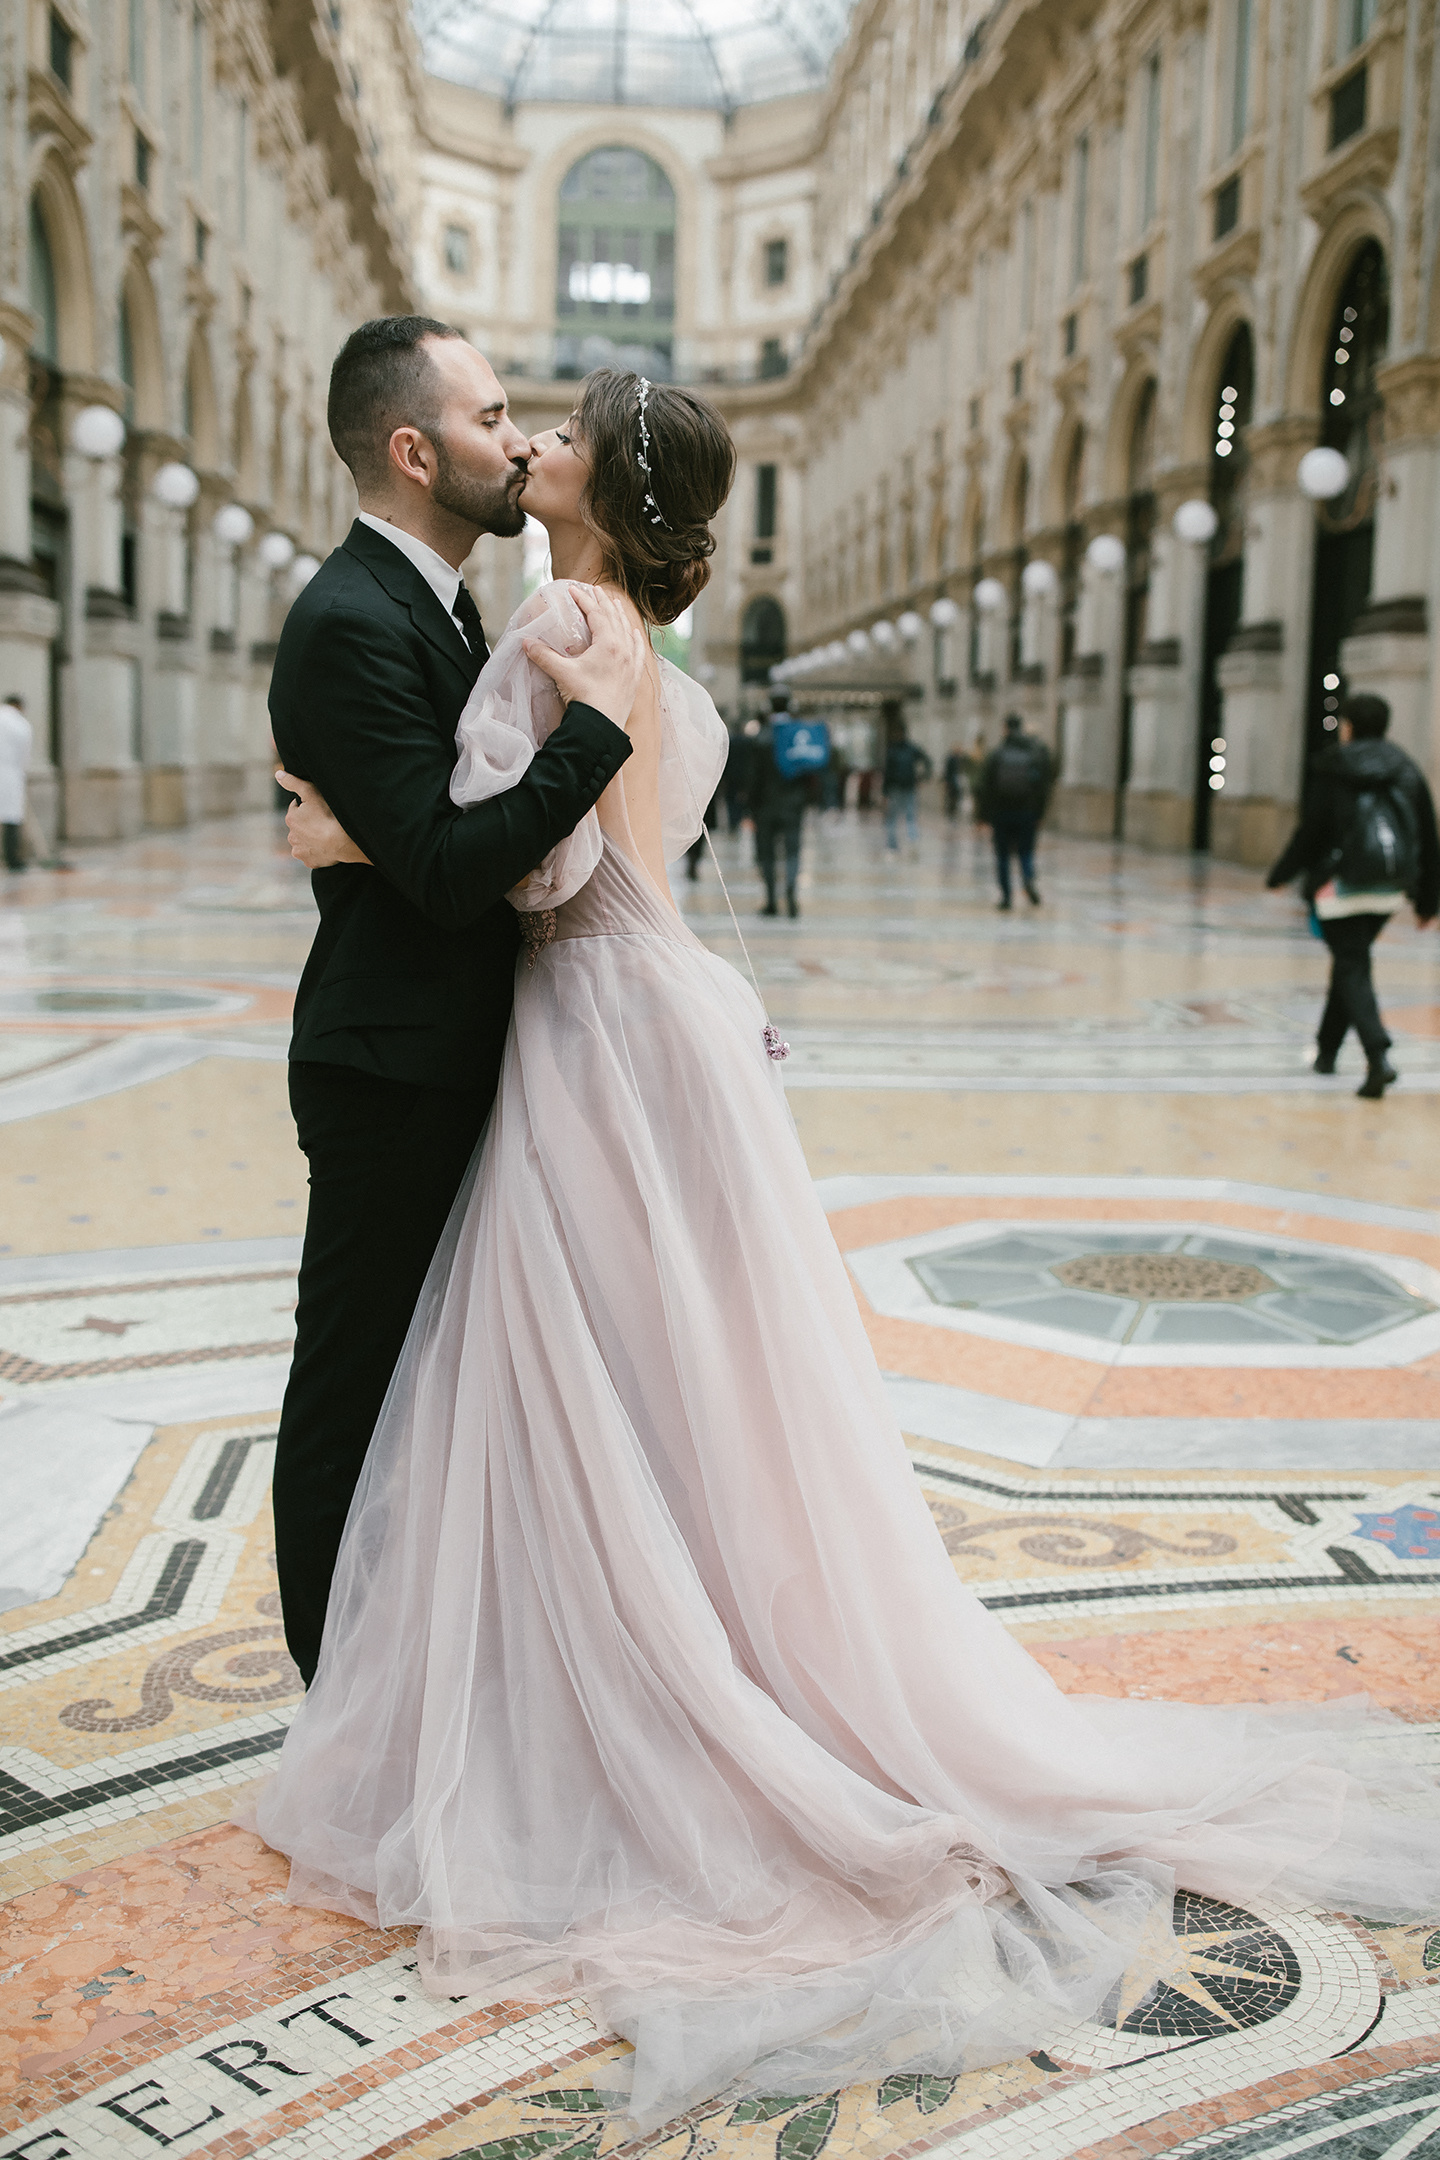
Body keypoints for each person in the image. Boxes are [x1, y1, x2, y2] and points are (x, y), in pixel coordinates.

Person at [259, 365, 1438, 2137]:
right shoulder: (694, 679)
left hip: (589, 1042)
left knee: (573, 1373)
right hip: (684, 1035)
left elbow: (524, 881)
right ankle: (698, 1663)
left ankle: (557, 1703)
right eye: (521, 419)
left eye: (555, 430)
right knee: (684, 1386)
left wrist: (354, 824)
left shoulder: (553, 626)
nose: (531, 443)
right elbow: (658, 849)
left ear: (597, 485)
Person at [266, 316, 644, 1685]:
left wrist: (362, 833)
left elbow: (424, 822)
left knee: (440, 1380)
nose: (518, 435)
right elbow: (442, 867)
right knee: (356, 1385)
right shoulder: (351, 618)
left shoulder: (440, 600)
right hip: (391, 1066)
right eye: (492, 417)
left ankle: (420, 1675)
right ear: (415, 450)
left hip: (460, 1046)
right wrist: (594, 733)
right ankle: (336, 1695)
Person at [1267, 691, 1438, 1098]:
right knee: (1351, 961)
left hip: (1339, 885)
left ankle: (1377, 1056)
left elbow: (1311, 833)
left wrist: (1281, 874)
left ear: (1349, 726)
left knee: (1350, 963)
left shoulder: (1333, 767)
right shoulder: (1406, 768)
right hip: (1389, 887)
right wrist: (1427, 899)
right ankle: (1327, 1052)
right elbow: (1429, 837)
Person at [976, 712, 1052, 908]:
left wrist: (983, 816)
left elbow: (986, 788)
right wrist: (1040, 813)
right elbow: (1043, 787)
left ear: (1006, 729)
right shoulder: (1034, 754)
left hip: (1001, 813)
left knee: (1002, 855)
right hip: (1027, 812)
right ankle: (1027, 879)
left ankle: (1006, 897)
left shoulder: (997, 754)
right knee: (1026, 852)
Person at [749, 689, 808, 916]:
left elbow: (753, 776)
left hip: (765, 806)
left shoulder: (761, 736)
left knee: (767, 855)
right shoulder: (795, 736)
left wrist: (750, 806)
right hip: (793, 804)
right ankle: (792, 898)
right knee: (792, 852)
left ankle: (772, 900)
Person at [880, 701, 932, 852]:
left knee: (898, 817)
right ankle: (901, 843)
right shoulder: (907, 749)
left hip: (903, 787)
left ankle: (899, 844)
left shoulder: (898, 750)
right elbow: (888, 772)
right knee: (905, 816)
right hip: (902, 787)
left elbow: (888, 772)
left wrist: (923, 777)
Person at [0, 693, 32, 873]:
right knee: (11, 819)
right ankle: (13, 860)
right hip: (10, 774)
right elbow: (25, 756)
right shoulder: (21, 724)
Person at [942, 741, 966, 821]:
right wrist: (946, 782)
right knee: (951, 798)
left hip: (957, 781)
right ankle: (950, 813)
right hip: (951, 782)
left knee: (957, 797)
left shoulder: (959, 759)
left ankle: (954, 812)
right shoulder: (950, 759)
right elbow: (947, 771)